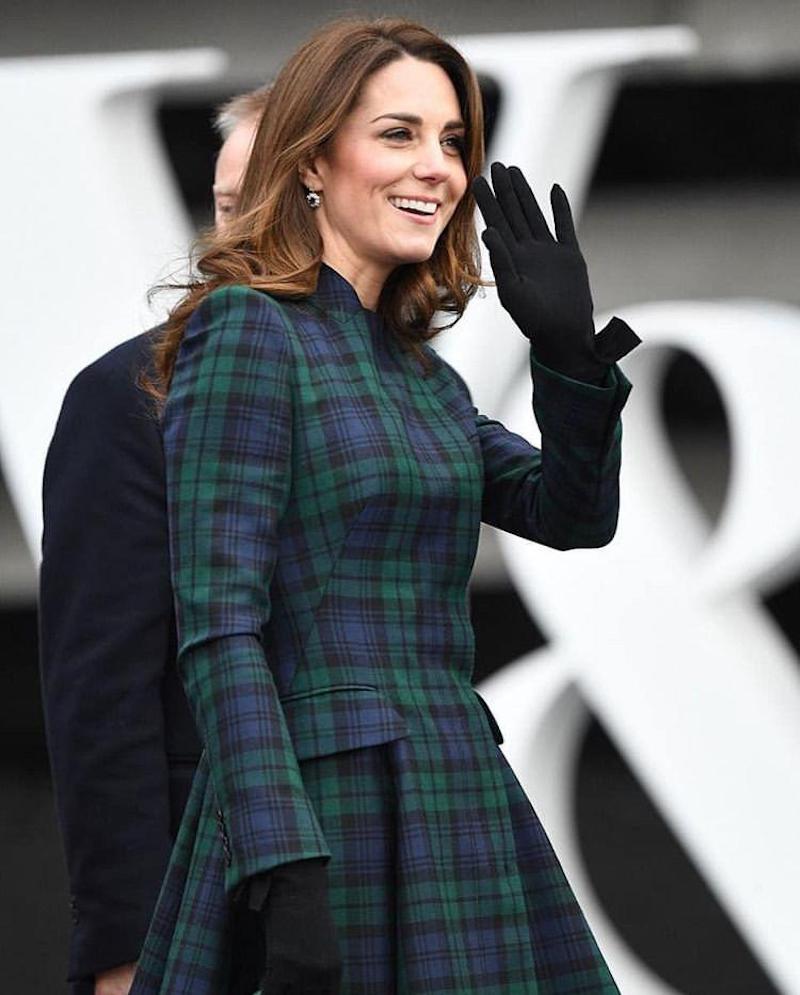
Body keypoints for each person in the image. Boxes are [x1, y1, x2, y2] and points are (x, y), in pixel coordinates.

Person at [130, 17, 639, 995]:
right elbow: (218, 622)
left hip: (456, 786)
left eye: (452, 141)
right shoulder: (248, 329)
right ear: (314, 156)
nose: (438, 168)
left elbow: (571, 513)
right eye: (398, 133)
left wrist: (568, 358)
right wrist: (281, 862)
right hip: (327, 809)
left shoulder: (418, 374)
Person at [38, 85, 270, 995]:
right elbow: (99, 693)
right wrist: (126, 951)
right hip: (205, 899)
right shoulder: (128, 394)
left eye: (274, 195)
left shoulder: (400, 382)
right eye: (225, 203)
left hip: (390, 878)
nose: (241, 229)